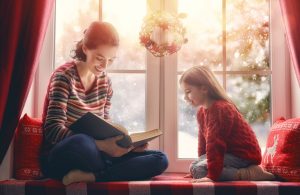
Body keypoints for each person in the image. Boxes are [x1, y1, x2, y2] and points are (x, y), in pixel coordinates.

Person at [40, 21, 168, 185]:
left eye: (111, 60)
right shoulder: (64, 77)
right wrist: (101, 145)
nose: (105, 65)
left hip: (98, 155)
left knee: (160, 159)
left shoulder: (105, 83)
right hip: (67, 153)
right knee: (82, 142)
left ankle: (94, 176)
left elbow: (103, 124)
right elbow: (52, 130)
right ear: (85, 49)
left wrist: (127, 146)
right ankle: (108, 170)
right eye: (99, 58)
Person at [179, 66, 275, 182]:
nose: (185, 97)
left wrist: (210, 176)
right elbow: (203, 142)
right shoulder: (202, 112)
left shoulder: (221, 109)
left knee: (199, 168)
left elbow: (215, 144)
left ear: (204, 88)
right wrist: (196, 171)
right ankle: (205, 171)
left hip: (243, 155)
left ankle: (248, 173)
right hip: (228, 153)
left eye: (188, 92)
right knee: (195, 166)